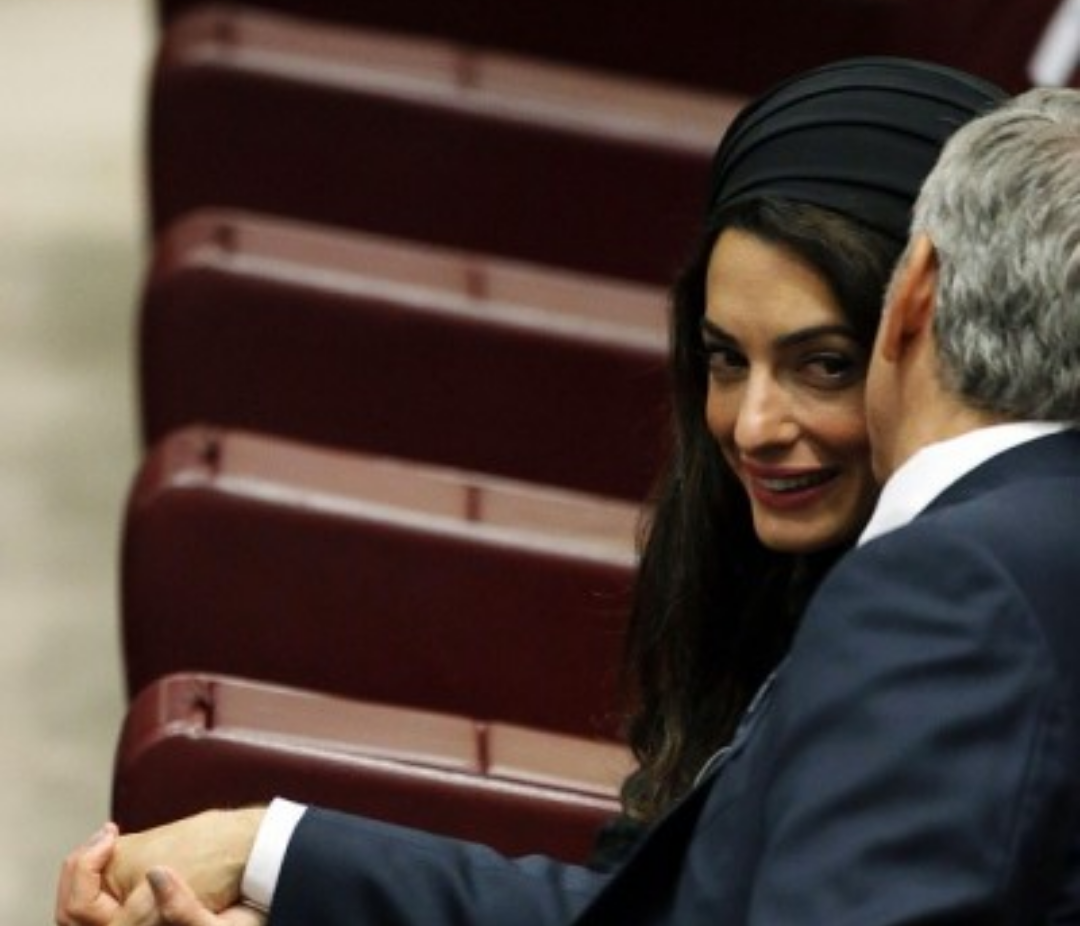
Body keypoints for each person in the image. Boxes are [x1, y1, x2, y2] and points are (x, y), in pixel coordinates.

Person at [56, 58, 1028, 926]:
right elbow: (640, 897)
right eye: (726, 359)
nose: (752, 424)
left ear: (935, 337)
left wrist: (265, 851)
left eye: (824, 365)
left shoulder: (961, 631)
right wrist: (260, 861)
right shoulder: (780, 566)